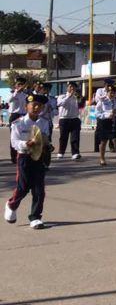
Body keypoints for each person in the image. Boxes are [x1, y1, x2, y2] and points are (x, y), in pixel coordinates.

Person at [5, 94, 52, 228]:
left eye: (40, 106)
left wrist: (47, 144)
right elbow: (14, 143)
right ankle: (11, 204)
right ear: (26, 106)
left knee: (39, 190)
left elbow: (45, 138)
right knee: (23, 188)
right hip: (24, 157)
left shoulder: (43, 122)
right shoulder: (18, 123)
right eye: (34, 105)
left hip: (39, 158)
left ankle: (35, 217)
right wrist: (27, 144)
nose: (37, 108)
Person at [94, 85, 116, 167]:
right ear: (107, 93)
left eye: (113, 93)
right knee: (104, 141)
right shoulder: (102, 101)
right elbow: (96, 113)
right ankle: (102, 159)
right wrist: (107, 115)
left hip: (114, 121)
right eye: (110, 92)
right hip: (104, 122)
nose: (112, 94)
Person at [56, 83, 83, 160]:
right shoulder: (62, 96)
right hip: (64, 118)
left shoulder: (77, 97)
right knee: (63, 137)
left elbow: (81, 106)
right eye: (70, 87)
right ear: (67, 88)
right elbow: (60, 104)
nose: (72, 88)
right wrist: (69, 96)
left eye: (73, 87)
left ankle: (75, 153)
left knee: (75, 137)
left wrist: (79, 98)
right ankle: (61, 152)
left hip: (75, 118)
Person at [7, 77, 28, 163]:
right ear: (15, 85)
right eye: (18, 84)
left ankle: (22, 154)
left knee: (24, 136)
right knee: (14, 136)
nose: (20, 86)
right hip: (15, 116)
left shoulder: (25, 95)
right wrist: (17, 92)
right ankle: (14, 157)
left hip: (23, 116)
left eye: (22, 84)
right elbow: (9, 100)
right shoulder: (12, 94)